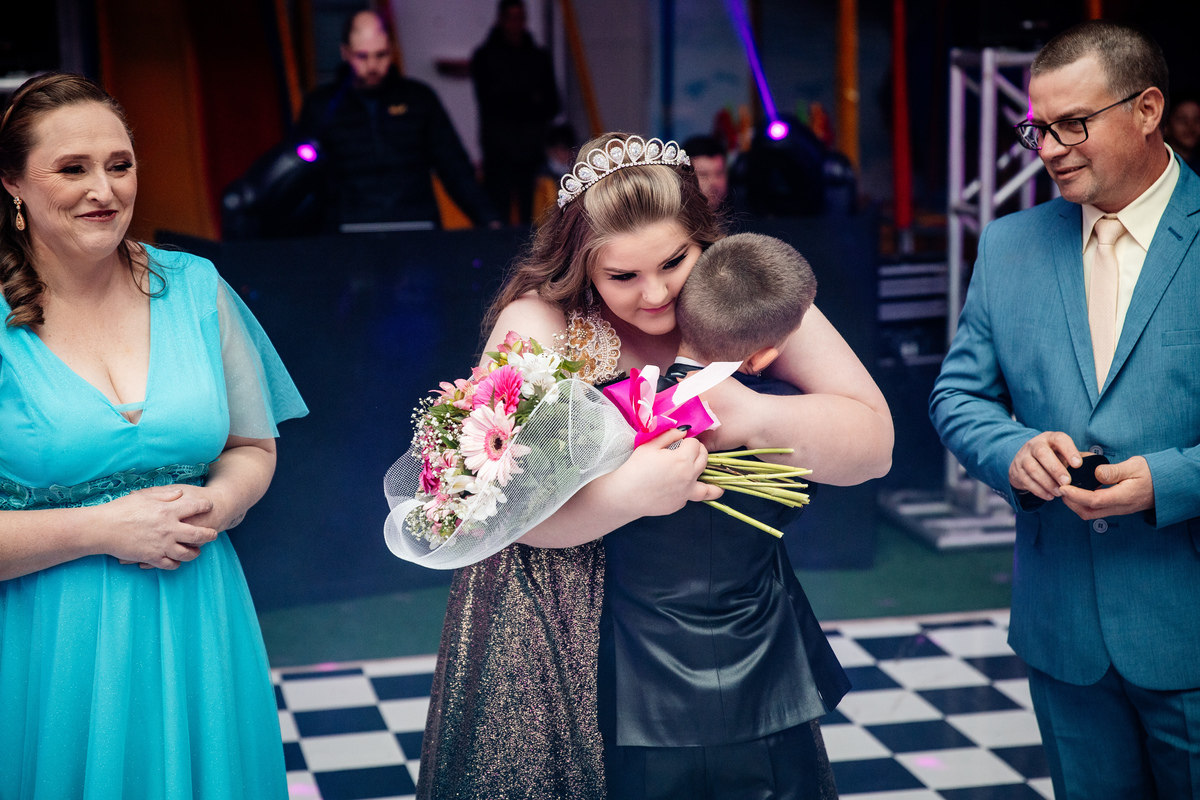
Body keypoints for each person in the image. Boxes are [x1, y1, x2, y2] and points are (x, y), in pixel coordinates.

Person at [417, 132, 892, 798]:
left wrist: (751, 415)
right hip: (575, 637)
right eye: (623, 276)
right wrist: (627, 495)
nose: (656, 294)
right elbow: (492, 515)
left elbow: (874, 446)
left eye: (675, 261)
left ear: (705, 237)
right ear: (582, 267)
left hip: (737, 623)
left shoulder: (740, 291)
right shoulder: (544, 324)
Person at [0, 73, 308, 798]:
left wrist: (218, 506)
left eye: (119, 164)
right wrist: (103, 529)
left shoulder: (195, 287)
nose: (103, 189)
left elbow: (250, 446)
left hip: (199, 618)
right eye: (72, 169)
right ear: (12, 183)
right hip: (51, 642)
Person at [930, 21, 1200, 800]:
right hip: (1063, 632)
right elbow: (958, 395)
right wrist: (1010, 450)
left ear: (1147, 109)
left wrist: (1168, 479)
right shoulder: (1009, 245)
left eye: (1072, 124)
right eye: (1038, 128)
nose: (1048, 148)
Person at [599, 231, 850, 800]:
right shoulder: (783, 420)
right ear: (765, 354)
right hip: (765, 677)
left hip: (643, 692)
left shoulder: (617, 415)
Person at [297, 10, 498, 231]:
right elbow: (300, 176)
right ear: (345, 53)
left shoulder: (419, 99)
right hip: (347, 230)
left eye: (381, 55)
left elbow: (454, 166)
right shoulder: (321, 106)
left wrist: (489, 218)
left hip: (417, 226)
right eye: (362, 56)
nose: (372, 66)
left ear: (391, 51)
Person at [470, 0, 560, 225]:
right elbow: (490, 103)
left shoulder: (538, 57)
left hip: (531, 153)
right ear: (500, 20)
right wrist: (529, 100)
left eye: (520, 18)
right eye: (510, 18)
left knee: (534, 223)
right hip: (498, 154)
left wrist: (512, 99)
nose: (515, 24)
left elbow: (553, 103)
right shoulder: (485, 56)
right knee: (497, 218)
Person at [681, 134, 730, 213]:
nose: (713, 182)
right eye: (703, 174)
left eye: (719, 173)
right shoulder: (674, 220)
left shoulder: (745, 219)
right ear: (684, 177)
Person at [1165, 94, 1200, 173]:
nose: (1191, 126)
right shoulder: (1159, 168)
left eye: (1197, 119)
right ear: (1165, 126)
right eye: (1182, 119)